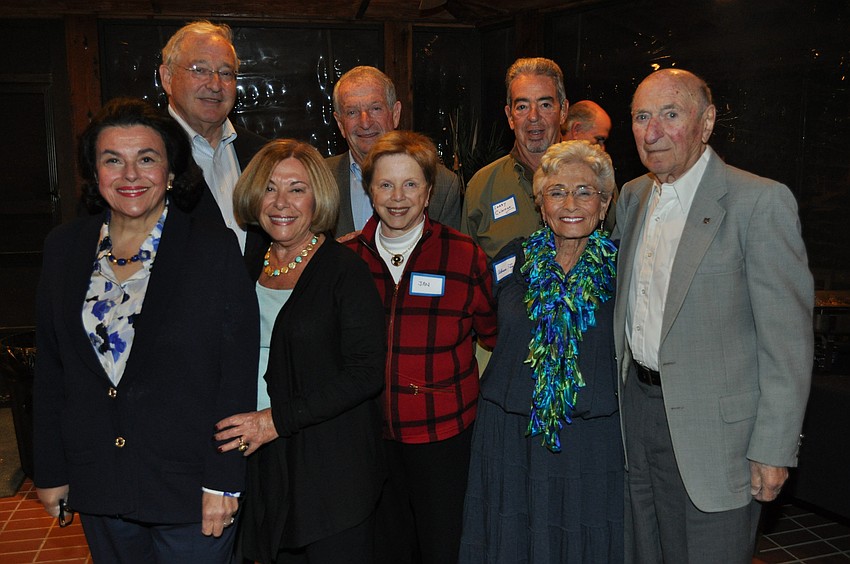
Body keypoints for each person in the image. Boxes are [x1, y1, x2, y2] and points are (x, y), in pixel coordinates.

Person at [33, 97, 259, 562]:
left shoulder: (213, 250)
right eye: (113, 160)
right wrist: (51, 470)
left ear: (171, 171)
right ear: (95, 173)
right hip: (101, 479)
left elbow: (235, 375)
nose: (130, 174)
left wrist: (223, 479)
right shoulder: (64, 247)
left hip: (191, 485)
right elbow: (53, 371)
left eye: (147, 159)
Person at [614, 68, 814, 563]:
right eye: (642, 116)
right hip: (637, 416)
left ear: (706, 124)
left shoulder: (759, 202)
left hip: (717, 437)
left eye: (670, 114)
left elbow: (786, 343)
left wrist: (772, 449)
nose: (652, 130)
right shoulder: (633, 196)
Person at [213, 139, 387, 563]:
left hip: (328, 462)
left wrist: (276, 420)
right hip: (260, 457)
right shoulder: (250, 261)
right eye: (270, 188)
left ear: (318, 198)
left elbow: (366, 373)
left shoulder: (345, 270)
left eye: (297, 188)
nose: (281, 202)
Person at [459, 140, 623, 563]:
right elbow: (476, 317)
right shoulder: (514, 260)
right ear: (541, 204)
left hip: (592, 436)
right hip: (511, 432)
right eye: (556, 192)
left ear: (604, 204)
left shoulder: (625, 269)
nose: (571, 203)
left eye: (585, 191)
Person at [343, 130, 498, 564]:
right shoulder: (344, 259)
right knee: (384, 550)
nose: (397, 197)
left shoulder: (464, 256)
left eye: (410, 184)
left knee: (443, 548)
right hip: (369, 439)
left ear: (429, 192)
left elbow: (494, 334)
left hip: (443, 437)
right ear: (369, 188)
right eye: (386, 184)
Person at [159, 20, 267, 255]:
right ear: (167, 78)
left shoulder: (261, 155)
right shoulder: (143, 155)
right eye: (200, 70)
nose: (215, 85)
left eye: (226, 73)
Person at [328, 65, 461, 236]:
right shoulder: (317, 180)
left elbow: (448, 255)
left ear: (395, 114)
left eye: (375, 108)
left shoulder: (443, 184)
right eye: (352, 112)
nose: (365, 122)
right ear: (340, 124)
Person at [461, 57, 568, 260]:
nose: (534, 116)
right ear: (510, 117)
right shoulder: (481, 188)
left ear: (563, 111)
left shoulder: (593, 181)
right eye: (522, 107)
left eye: (545, 104)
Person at [561, 100, 616, 231]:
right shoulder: (548, 171)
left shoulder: (603, 175)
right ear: (576, 130)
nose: (602, 149)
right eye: (598, 139)